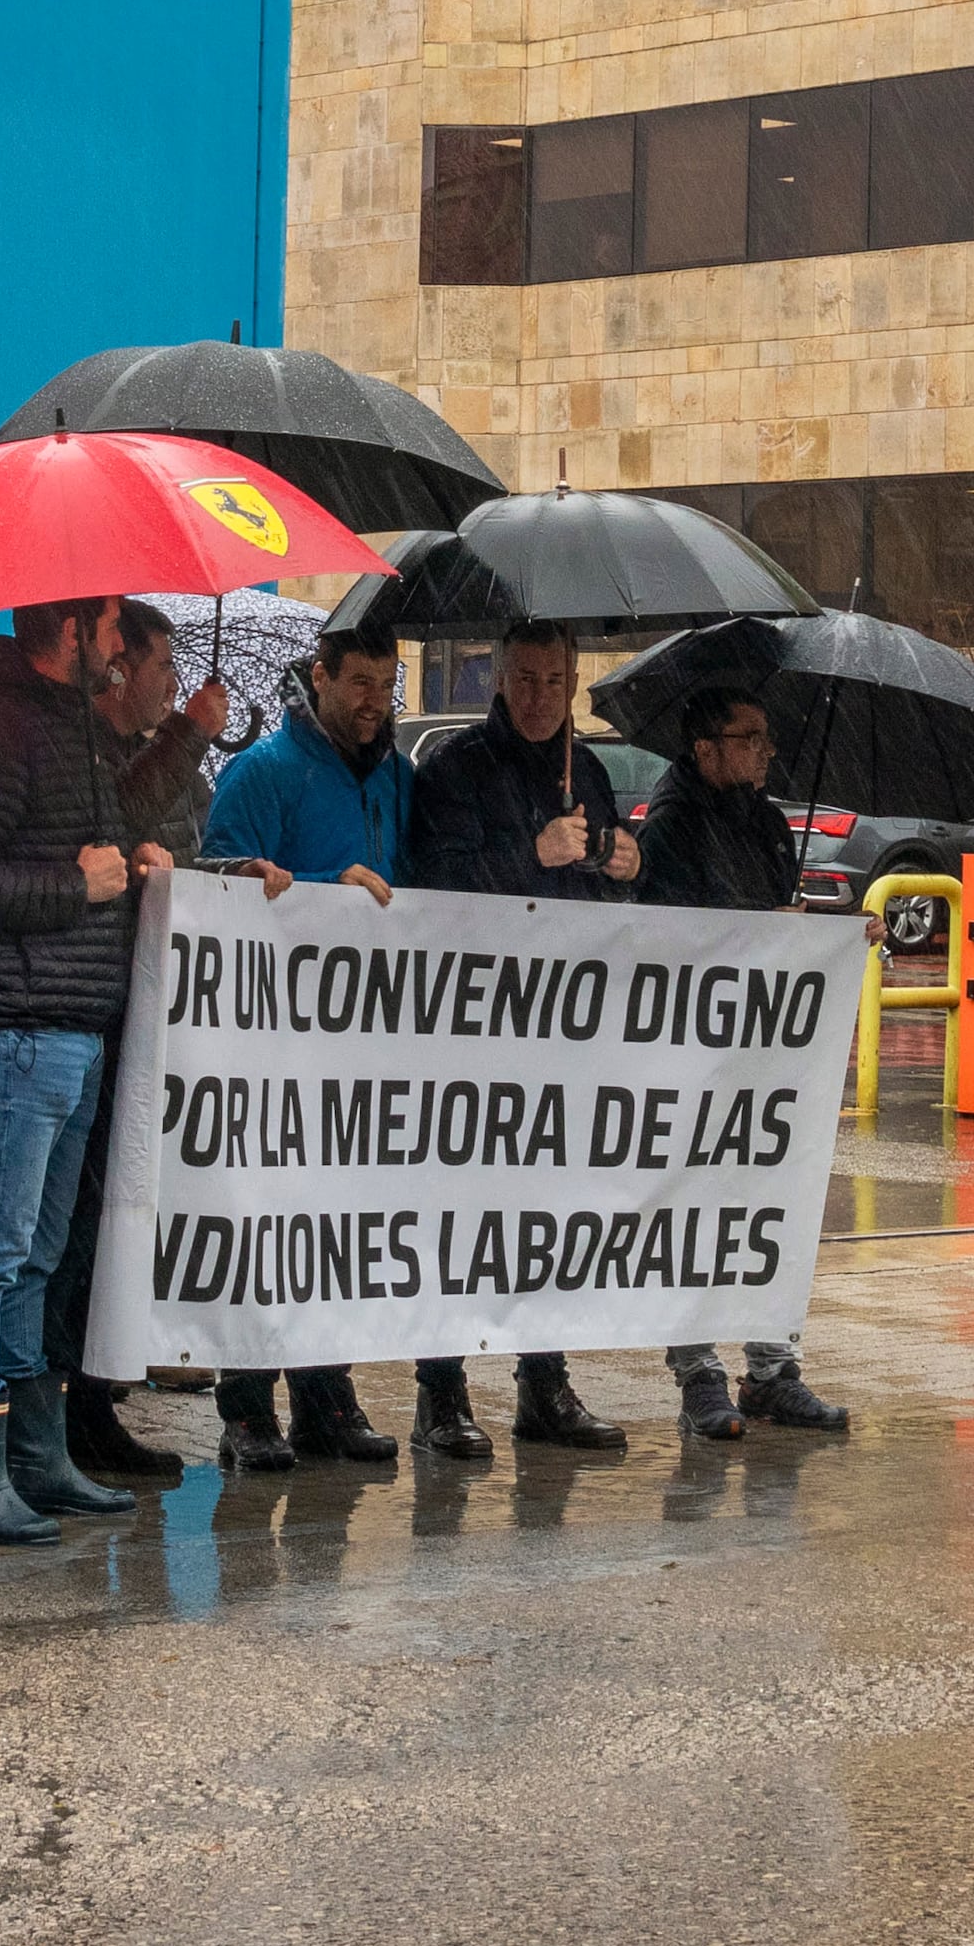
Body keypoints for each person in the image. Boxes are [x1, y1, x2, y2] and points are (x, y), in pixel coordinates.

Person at [0, 595, 159, 1545]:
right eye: (109, 630)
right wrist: (77, 885)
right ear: (69, 634)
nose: (120, 649)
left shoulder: (71, 729)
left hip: (69, 1023)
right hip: (19, 1025)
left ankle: (35, 1454)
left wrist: (125, 863)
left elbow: (69, 843)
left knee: (37, 1256)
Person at [399, 616, 640, 1460]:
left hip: (564, 1032)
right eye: (524, 678)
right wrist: (530, 851)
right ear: (498, 678)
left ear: (572, 683)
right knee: (461, 1212)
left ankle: (545, 1381)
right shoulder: (454, 768)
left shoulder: (594, 773)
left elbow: (610, 918)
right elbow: (436, 883)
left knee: (550, 1215)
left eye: (552, 681)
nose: (538, 697)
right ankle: (440, 1390)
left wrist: (619, 867)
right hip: (472, 1028)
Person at [194, 624, 414, 1474]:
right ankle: (246, 1406)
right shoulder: (262, 773)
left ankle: (328, 1397)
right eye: (359, 682)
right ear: (319, 678)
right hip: (272, 1043)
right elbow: (218, 883)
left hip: (363, 1045)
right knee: (265, 1221)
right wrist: (330, 891)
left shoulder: (396, 774)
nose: (373, 702)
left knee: (336, 1228)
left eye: (385, 685)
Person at [42, 602, 243, 1489]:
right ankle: (59, 1410)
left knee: (120, 1219)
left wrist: (225, 879)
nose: (170, 681)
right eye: (158, 664)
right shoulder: (90, 755)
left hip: (149, 1018)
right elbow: (113, 836)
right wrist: (193, 736)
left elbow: (182, 865)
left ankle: (98, 1398)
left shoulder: (177, 771)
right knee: (74, 1227)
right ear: (120, 670)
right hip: (92, 1010)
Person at [632, 685, 848, 1440]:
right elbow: (682, 937)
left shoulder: (763, 821)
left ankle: (773, 1368)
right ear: (706, 748)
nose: (765, 749)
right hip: (693, 1053)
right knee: (693, 1206)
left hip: (763, 1050)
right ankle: (699, 1375)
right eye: (750, 736)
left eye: (767, 737)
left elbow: (772, 924)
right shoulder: (670, 825)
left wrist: (837, 938)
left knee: (772, 1201)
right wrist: (767, 930)